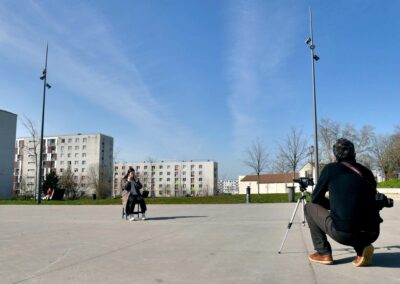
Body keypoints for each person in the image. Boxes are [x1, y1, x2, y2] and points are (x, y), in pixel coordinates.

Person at [305, 138, 382, 267]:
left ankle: (323, 253)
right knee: (356, 218)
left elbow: (316, 199)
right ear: (354, 154)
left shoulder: (331, 169)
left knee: (309, 207)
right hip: (372, 233)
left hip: (345, 234)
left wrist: (334, 206)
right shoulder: (367, 172)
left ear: (335, 156)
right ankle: (362, 250)